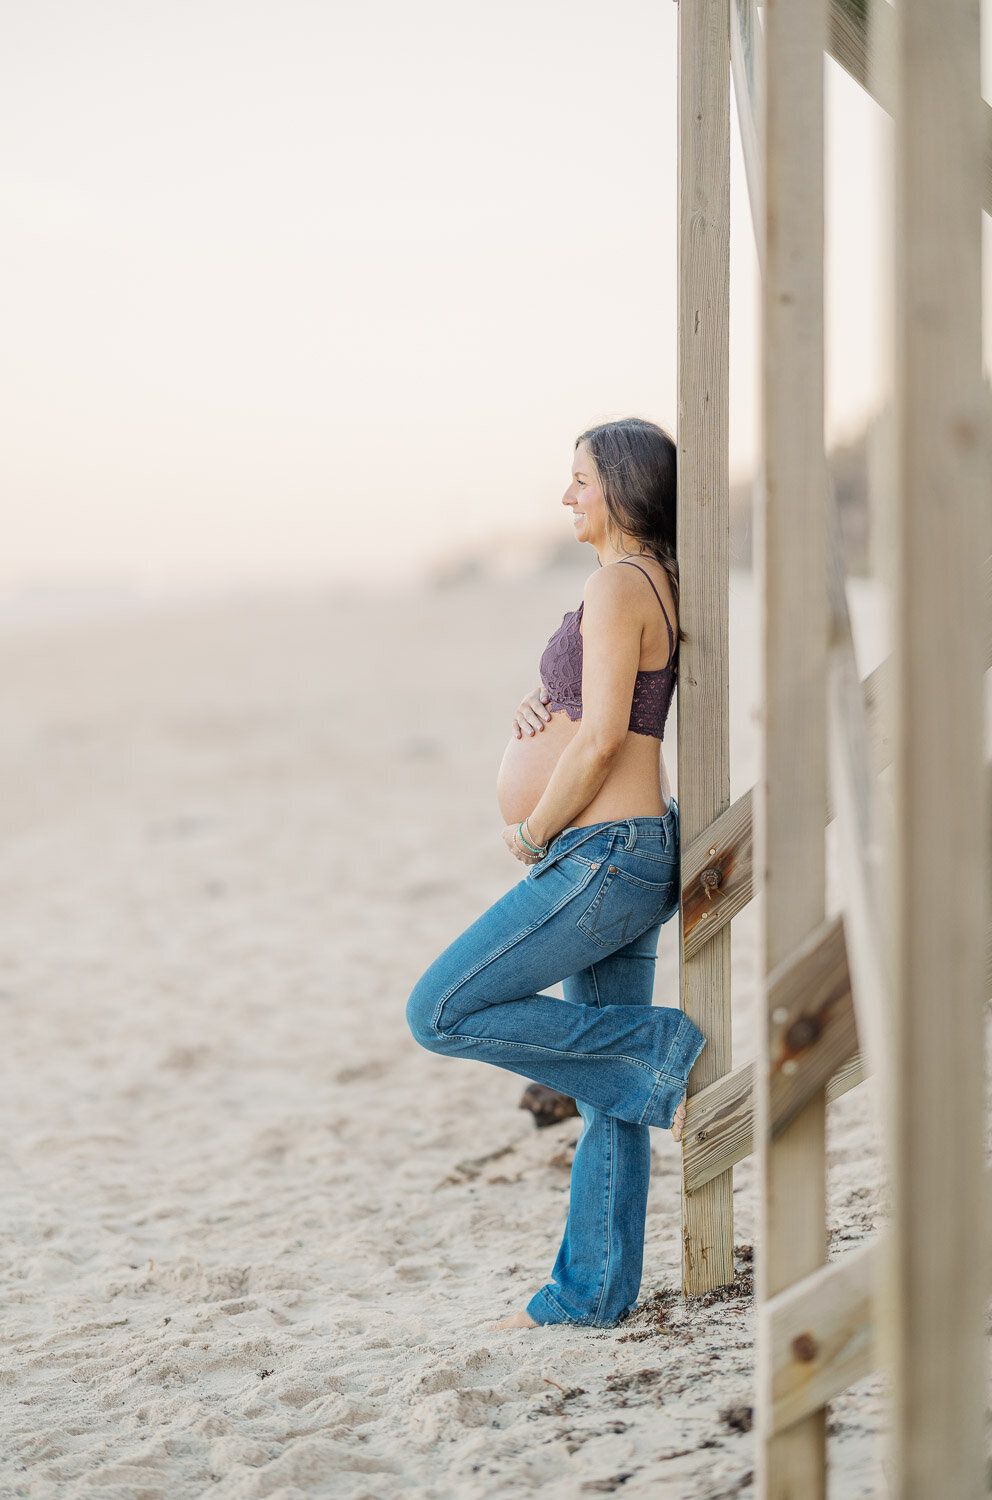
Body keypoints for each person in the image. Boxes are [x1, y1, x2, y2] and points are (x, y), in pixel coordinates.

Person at [406, 417, 706, 1330]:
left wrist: (535, 829)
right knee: (609, 1093)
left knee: (442, 1009)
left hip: (599, 855)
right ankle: (589, 1296)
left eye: (579, 479)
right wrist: (550, 698)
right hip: (625, 850)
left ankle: (654, 1048)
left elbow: (609, 735)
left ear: (619, 487)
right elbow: (596, 709)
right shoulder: (643, 584)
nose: (566, 496)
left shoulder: (619, 582)